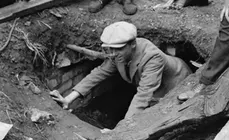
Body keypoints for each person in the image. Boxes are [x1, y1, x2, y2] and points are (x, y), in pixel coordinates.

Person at [57, 21, 192, 126]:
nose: (114, 54)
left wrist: (122, 129)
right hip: (153, 86)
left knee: (162, 115)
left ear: (133, 44)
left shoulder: (152, 57)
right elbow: (99, 73)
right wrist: (69, 98)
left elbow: (144, 94)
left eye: (119, 49)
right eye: (111, 49)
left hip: (176, 83)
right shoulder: (117, 53)